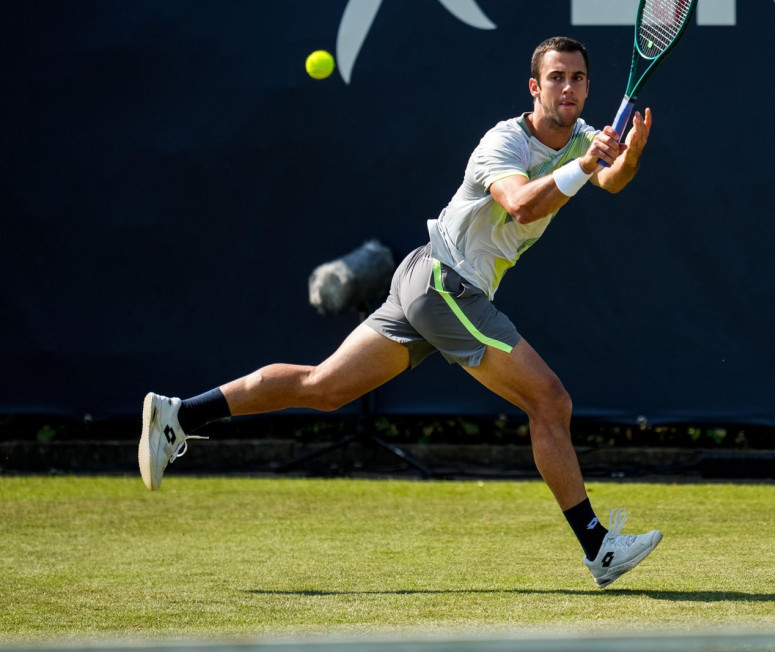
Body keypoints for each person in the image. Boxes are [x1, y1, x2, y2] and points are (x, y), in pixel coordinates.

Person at [139, 36, 661, 588]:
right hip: (446, 284)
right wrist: (584, 164)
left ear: (588, 87)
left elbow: (609, 180)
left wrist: (627, 157)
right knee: (550, 401)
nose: (568, 87)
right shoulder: (504, 141)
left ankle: (180, 414)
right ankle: (598, 546)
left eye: (577, 78)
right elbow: (522, 204)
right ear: (535, 87)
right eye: (556, 77)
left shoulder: (582, 138)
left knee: (324, 388)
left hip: (429, 279)